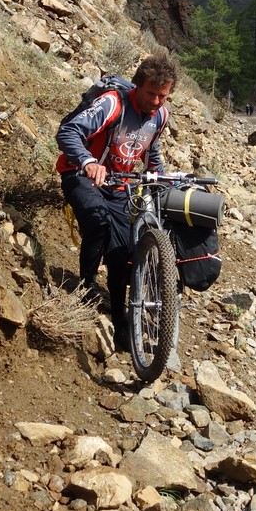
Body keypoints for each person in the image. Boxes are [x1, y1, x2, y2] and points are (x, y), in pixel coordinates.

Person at [55, 53, 177, 351]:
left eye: (163, 96)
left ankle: (121, 319)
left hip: (119, 184)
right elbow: (68, 131)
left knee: (124, 250)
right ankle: (86, 288)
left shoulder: (160, 115)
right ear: (138, 85)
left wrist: (159, 177)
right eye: (151, 94)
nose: (157, 102)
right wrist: (87, 161)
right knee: (98, 222)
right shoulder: (113, 103)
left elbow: (151, 152)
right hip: (81, 174)